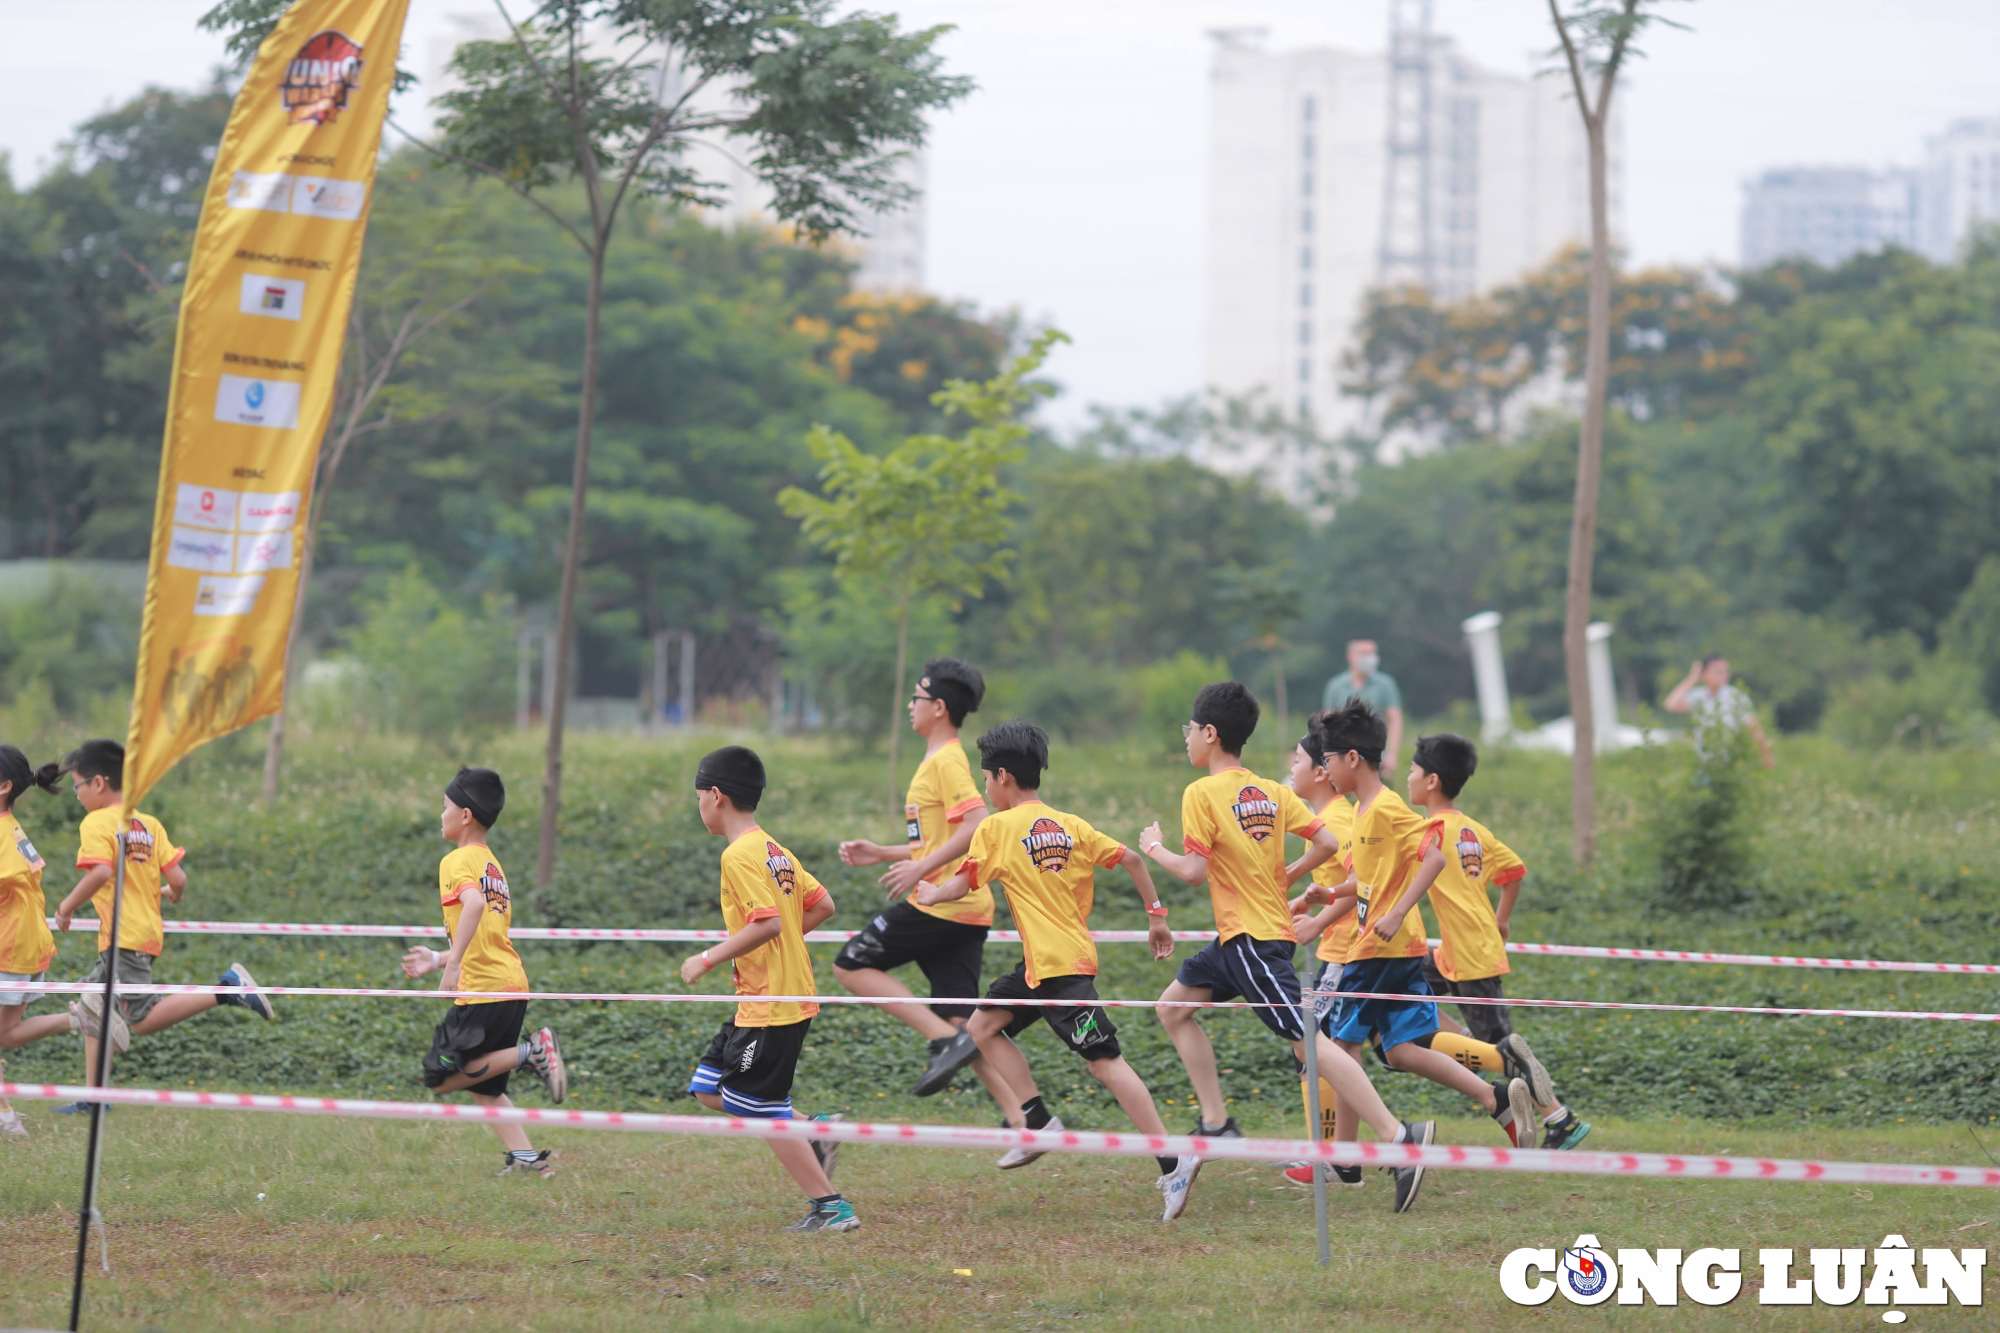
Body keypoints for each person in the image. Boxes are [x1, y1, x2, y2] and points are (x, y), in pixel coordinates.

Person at [1138, 682, 1435, 1214]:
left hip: (1252, 940)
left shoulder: (1200, 793)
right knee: (1173, 1008)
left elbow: (1192, 872)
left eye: (1190, 729)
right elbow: (1325, 844)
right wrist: (1287, 873)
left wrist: (1153, 847)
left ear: (1210, 734)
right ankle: (1216, 1123)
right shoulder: (1273, 793)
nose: (1187, 739)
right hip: (1239, 940)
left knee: (1309, 1042)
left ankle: (1397, 1138)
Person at [913, 721, 1201, 1221]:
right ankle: (1038, 1120)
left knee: (1104, 1063)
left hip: (1060, 971)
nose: (984, 787)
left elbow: (963, 884)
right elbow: (1132, 858)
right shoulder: (1071, 825)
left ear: (1003, 776)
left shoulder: (996, 829)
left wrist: (933, 892)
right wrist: (1157, 918)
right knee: (983, 1025)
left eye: (985, 778)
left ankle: (1175, 1160)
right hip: (1040, 968)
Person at [1298, 703, 1532, 1157]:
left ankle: (1347, 1158)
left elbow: (1434, 858)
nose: (1325, 770)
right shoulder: (1366, 811)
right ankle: (1495, 1096)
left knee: (1338, 1047)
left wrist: (1397, 911)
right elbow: (1371, 878)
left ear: (1351, 759)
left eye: (1327, 760)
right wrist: (1331, 895)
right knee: (1401, 1050)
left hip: (1379, 949)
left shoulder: (1386, 807)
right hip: (1398, 950)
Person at [1376, 733, 1595, 1151]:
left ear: (1432, 781)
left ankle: (1560, 1119)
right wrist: (1502, 919)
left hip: (1473, 957)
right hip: (1454, 953)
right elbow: (1514, 872)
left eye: (1412, 771)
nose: (1407, 777)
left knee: (1506, 1053)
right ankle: (1456, 1043)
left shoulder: (1432, 831)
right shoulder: (1473, 831)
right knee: (1403, 990)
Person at [681, 746, 855, 1233]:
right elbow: (822, 905)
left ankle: (830, 1206)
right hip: (764, 997)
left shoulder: (738, 855)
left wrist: (707, 958)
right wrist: (780, 947)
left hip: (771, 1002)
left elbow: (768, 923)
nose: (698, 806)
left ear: (716, 796)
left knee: (757, 1108)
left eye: (698, 797)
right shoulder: (773, 849)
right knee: (708, 1088)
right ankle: (814, 1130)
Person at [49, 739, 275, 1112]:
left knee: (141, 1019)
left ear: (99, 783)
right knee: (94, 1007)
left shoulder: (97, 822)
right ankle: (95, 1097)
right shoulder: (148, 823)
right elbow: (180, 879)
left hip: (124, 936)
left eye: (77, 787)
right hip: (142, 932)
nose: (77, 795)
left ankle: (226, 990)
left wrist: (67, 907)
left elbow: (102, 870)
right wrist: (170, 893)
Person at [835, 658, 1016, 1107]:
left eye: (915, 699)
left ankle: (939, 1038)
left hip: (942, 903)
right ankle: (1027, 1120)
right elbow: (941, 838)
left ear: (938, 707)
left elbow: (977, 823)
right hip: (965, 908)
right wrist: (886, 853)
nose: (909, 707)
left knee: (850, 965)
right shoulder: (936, 760)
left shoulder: (948, 760)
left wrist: (918, 869)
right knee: (963, 1024)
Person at [400, 766, 568, 1177]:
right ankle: (529, 1161)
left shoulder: (456, 860)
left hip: (483, 990)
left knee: (440, 1077)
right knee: (483, 1084)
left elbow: (472, 907)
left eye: (445, 807)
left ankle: (535, 1052)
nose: (440, 816)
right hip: (509, 984)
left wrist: (453, 965)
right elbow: (486, 933)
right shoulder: (492, 865)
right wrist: (439, 959)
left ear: (465, 816)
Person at [0, 745, 67, 1137]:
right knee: (5, 1034)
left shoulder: (5, 831)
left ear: (4, 786)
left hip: (11, 946)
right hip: (25, 943)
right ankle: (78, 1016)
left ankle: (6, 1117)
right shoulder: (11, 828)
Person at [1664, 656, 1774, 768]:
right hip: (1703, 761)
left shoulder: (1736, 696)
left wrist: (1765, 754)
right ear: (1704, 673)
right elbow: (1671, 705)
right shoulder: (1698, 696)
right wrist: (1692, 678)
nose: (1724, 675)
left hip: (1731, 761)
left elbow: (1753, 727)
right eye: (1718, 671)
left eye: (1726, 671)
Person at [1321, 639, 1404, 773]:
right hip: (1342, 755)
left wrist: (1392, 754)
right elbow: (1327, 722)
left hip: (1375, 756)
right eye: (1364, 653)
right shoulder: (1335, 686)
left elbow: (1395, 719)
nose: (1370, 658)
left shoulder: (1386, 684)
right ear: (1350, 656)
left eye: (1373, 653)